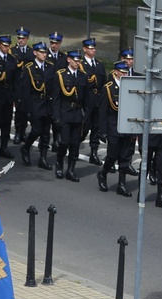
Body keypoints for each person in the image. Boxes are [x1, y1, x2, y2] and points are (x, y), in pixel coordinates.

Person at [96, 61, 133, 195]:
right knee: (112, 155)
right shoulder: (108, 88)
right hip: (113, 125)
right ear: (115, 72)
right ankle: (103, 173)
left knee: (124, 156)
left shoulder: (130, 87)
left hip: (127, 126)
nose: (124, 74)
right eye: (122, 72)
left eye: (126, 72)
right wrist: (103, 131)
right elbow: (103, 110)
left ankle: (121, 185)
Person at [19, 42, 57, 170]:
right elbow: (25, 91)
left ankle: (43, 158)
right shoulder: (29, 68)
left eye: (45, 52)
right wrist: (27, 109)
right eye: (41, 52)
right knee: (37, 130)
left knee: (46, 133)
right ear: (35, 53)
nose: (44, 54)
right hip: (35, 103)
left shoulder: (50, 67)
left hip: (47, 103)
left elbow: (53, 87)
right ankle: (26, 147)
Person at [52, 50, 88, 181]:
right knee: (64, 142)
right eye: (75, 60)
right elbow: (56, 98)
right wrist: (56, 116)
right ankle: (59, 163)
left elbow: (86, 99)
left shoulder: (83, 76)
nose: (77, 63)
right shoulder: (60, 75)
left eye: (79, 61)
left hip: (77, 114)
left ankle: (71, 170)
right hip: (65, 112)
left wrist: (87, 115)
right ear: (69, 60)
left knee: (75, 144)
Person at [80, 38, 106, 167]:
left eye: (94, 48)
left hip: (97, 100)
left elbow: (104, 84)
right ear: (85, 49)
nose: (93, 50)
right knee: (84, 127)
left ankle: (94, 153)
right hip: (87, 100)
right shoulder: (80, 64)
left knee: (96, 127)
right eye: (90, 48)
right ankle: (74, 144)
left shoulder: (99, 65)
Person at [11, 27, 34, 145]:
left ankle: (23, 131)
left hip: (28, 86)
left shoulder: (31, 52)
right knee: (19, 111)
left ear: (27, 39)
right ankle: (17, 132)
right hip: (17, 85)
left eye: (23, 38)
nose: (20, 40)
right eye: (19, 38)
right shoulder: (12, 51)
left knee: (26, 110)